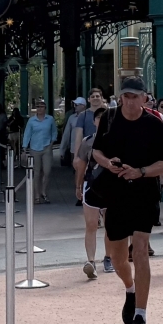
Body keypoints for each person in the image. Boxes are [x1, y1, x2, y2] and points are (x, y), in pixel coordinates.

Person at [94, 77, 163, 324]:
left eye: (134, 96)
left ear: (144, 98)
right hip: (115, 193)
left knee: (139, 250)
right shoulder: (109, 118)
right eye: (125, 96)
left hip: (144, 193)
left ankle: (141, 317)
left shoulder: (154, 124)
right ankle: (130, 289)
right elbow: (96, 152)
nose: (129, 101)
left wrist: (141, 171)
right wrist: (108, 163)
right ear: (120, 97)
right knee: (118, 258)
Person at [68, 91, 107, 277]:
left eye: (104, 118)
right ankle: (91, 261)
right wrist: (78, 186)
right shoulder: (87, 142)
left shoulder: (118, 141)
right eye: (98, 118)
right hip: (91, 185)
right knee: (91, 224)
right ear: (94, 121)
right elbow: (82, 166)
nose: (101, 120)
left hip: (112, 187)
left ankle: (109, 257)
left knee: (111, 225)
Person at [23, 99, 58, 203]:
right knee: (36, 172)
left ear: (45, 108)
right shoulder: (31, 120)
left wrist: (51, 143)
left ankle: (44, 191)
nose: (39, 108)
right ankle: (37, 195)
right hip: (35, 148)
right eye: (37, 106)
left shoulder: (50, 119)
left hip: (46, 147)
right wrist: (24, 147)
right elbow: (27, 134)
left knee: (47, 171)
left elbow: (54, 132)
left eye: (41, 106)